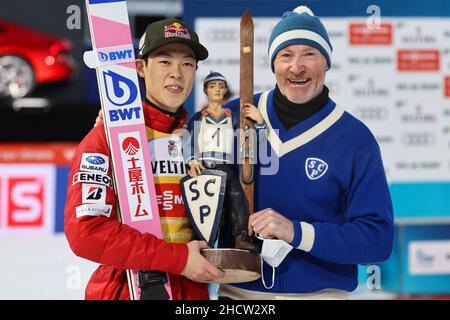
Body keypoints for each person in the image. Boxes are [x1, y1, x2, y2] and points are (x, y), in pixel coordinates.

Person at [217, 6, 394, 300]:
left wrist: (297, 232)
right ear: (273, 64)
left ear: (327, 63)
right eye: (286, 55)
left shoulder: (354, 138)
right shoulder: (233, 117)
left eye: (309, 54)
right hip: (238, 292)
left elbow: (378, 240)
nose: (296, 67)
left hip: (319, 294)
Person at [64, 18, 224, 300]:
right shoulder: (106, 138)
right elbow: (86, 232)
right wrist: (178, 259)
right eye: (164, 61)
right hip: (126, 288)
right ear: (140, 68)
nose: (177, 73)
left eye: (187, 64)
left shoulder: (205, 140)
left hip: (194, 292)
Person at [184, 71, 264, 251]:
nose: (217, 90)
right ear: (205, 90)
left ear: (226, 89)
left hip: (226, 168)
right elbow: (186, 140)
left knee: (237, 199)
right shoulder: (198, 118)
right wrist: (191, 160)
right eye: (213, 87)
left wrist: (259, 123)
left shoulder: (233, 118)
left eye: (221, 86)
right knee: (205, 208)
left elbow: (252, 140)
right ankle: (203, 244)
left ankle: (240, 238)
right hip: (204, 167)